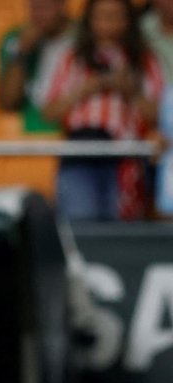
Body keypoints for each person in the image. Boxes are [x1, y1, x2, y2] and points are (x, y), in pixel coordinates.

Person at [41, 0, 162, 221]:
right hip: (81, 150)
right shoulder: (70, 57)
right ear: (90, 21)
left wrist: (131, 93)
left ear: (128, 21)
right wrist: (85, 89)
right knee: (80, 224)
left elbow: (161, 116)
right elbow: (49, 112)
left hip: (126, 155)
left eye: (115, 16)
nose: (108, 24)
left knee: (119, 233)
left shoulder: (145, 60)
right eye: (102, 16)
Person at [0, 0, 74, 133]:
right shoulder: (15, 39)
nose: (39, 15)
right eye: (34, 8)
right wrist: (22, 52)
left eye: (45, 8)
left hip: (73, 118)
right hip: (29, 121)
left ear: (63, 6)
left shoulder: (85, 37)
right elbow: (8, 103)